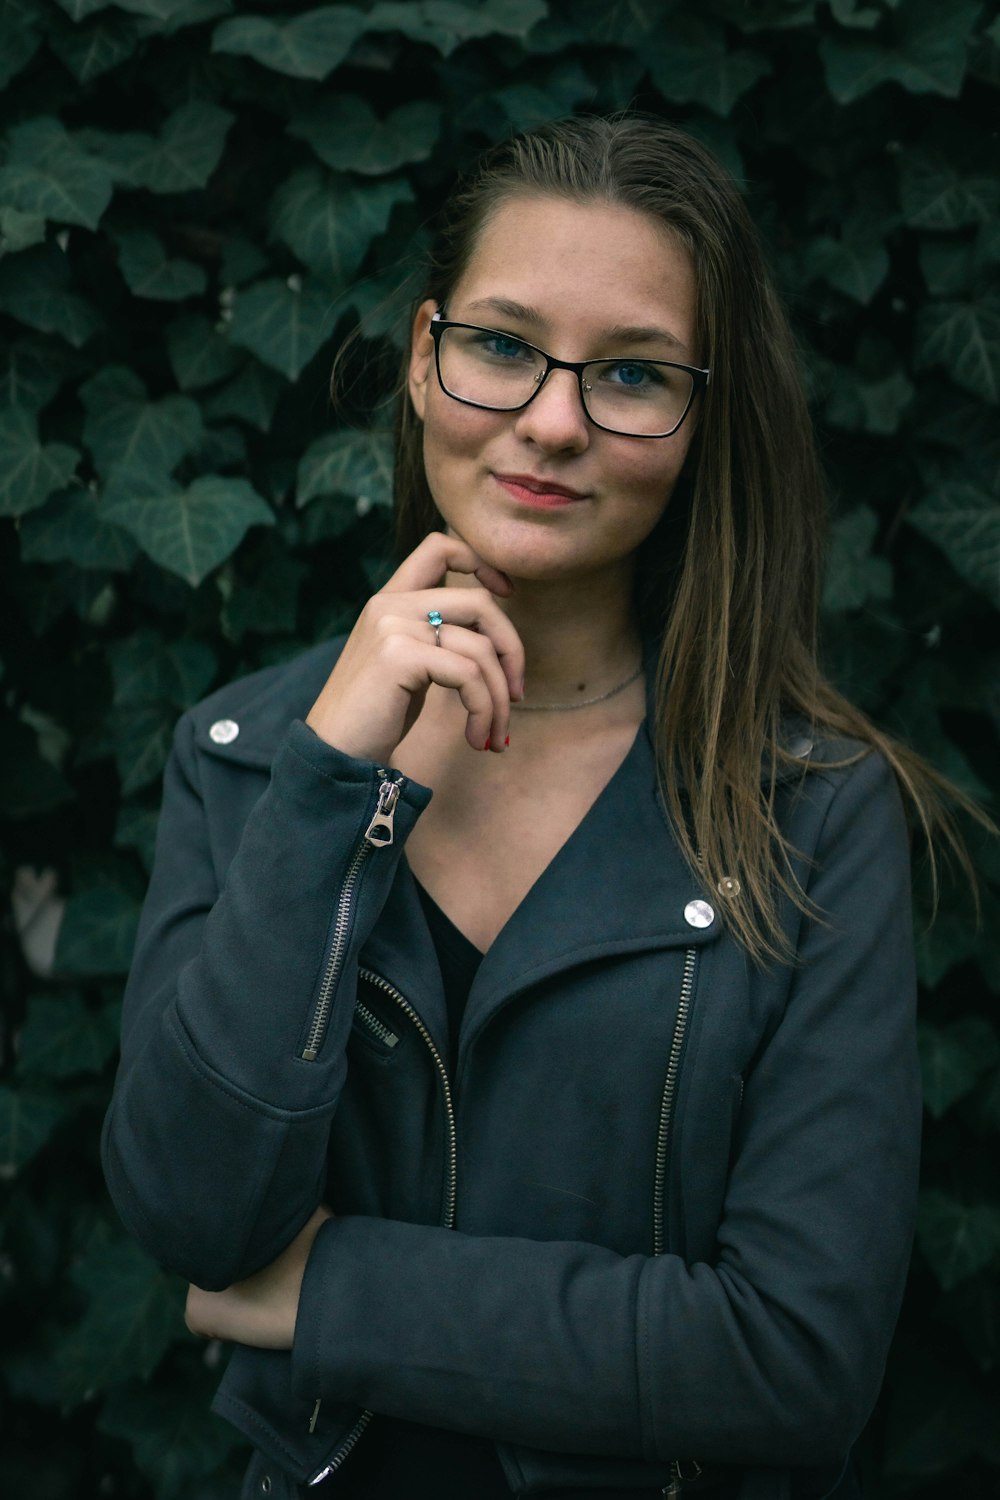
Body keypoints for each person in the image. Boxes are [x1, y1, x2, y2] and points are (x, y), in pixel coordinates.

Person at [102, 114, 964, 1500]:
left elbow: (797, 1356)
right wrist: (331, 785)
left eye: (630, 373)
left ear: (700, 421)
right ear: (426, 359)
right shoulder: (254, 753)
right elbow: (194, 1214)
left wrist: (331, 1291)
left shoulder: (812, 813)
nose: (553, 422)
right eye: (503, 345)